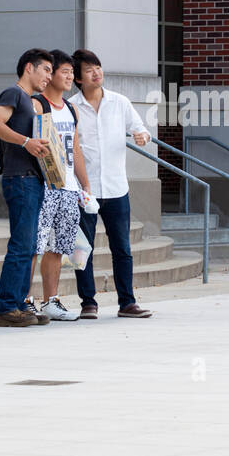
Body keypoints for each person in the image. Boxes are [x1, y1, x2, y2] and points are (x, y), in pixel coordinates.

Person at [68, 49, 153, 319]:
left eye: (99, 67)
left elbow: (141, 128)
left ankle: (127, 302)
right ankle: (88, 303)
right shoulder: (71, 107)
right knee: (83, 249)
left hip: (117, 188)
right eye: (90, 70)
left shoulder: (119, 102)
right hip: (84, 189)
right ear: (79, 79)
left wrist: (142, 136)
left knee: (122, 249)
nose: (97, 73)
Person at [0, 48, 54, 328]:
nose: (49, 77)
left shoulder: (33, 101)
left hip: (33, 179)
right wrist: (26, 141)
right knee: (21, 244)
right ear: (30, 68)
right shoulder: (13, 93)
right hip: (20, 179)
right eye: (46, 70)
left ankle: (17, 305)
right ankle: (5, 307)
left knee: (27, 245)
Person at [30, 50, 91, 321]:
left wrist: (85, 185)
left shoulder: (71, 108)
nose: (69, 77)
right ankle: (24, 299)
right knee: (36, 244)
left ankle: (50, 301)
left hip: (68, 187)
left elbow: (75, 148)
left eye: (71, 72)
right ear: (50, 73)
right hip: (44, 186)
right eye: (63, 71)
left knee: (59, 245)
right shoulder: (37, 103)